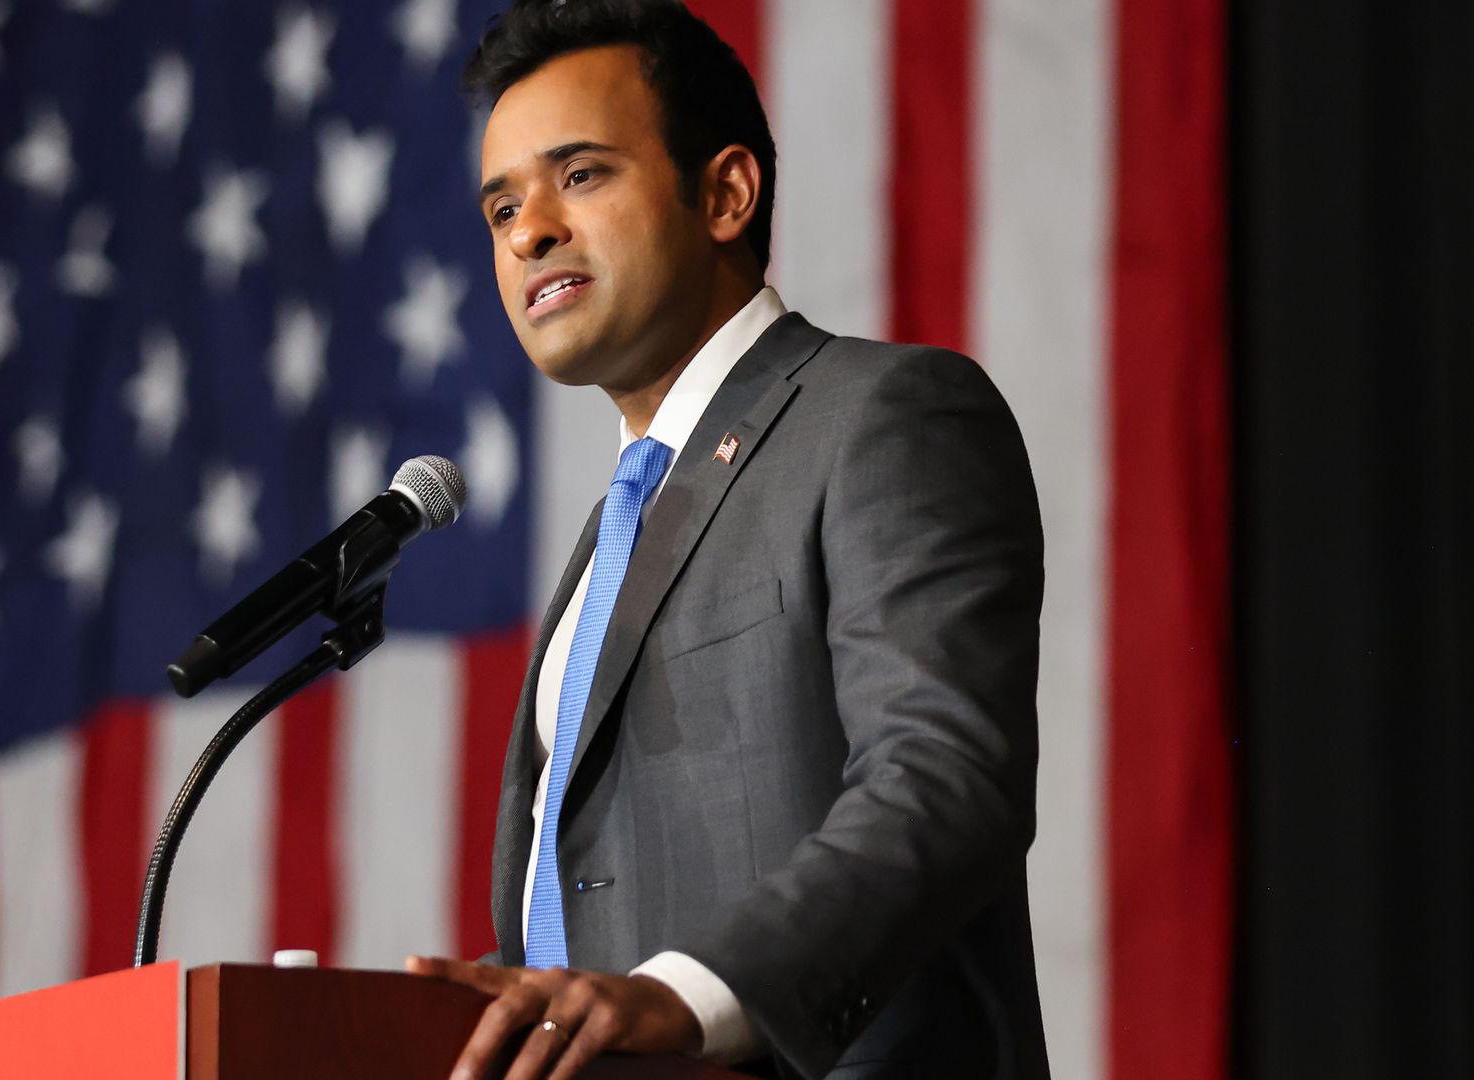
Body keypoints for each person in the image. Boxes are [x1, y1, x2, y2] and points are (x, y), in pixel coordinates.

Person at [403, 2, 1049, 1077]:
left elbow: (944, 776)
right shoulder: (619, 531)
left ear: (724, 192)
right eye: (502, 204)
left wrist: (687, 998)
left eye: (582, 175)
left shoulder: (883, 416)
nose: (530, 231)